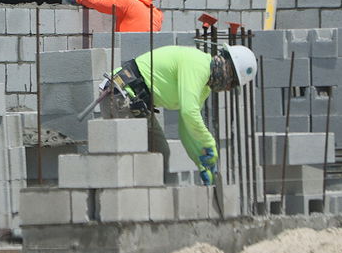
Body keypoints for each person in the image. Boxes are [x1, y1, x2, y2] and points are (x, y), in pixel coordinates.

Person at [101, 44, 257, 184]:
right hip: (120, 94)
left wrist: (200, 161)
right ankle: (125, 205)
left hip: (137, 103)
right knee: (130, 157)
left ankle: (152, 205)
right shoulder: (198, 64)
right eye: (233, 83)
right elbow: (189, 112)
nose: (229, 89)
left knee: (160, 153)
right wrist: (209, 144)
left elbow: (186, 126)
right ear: (227, 70)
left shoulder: (204, 87)